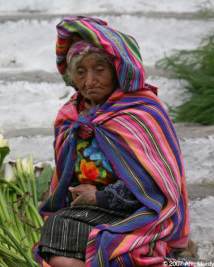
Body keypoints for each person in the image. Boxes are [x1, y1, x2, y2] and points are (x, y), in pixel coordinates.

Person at [34, 16, 190, 266]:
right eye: (81, 72)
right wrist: (78, 193)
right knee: (57, 227)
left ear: (117, 70)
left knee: (111, 246)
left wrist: (100, 197)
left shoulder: (141, 112)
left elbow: (156, 185)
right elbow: (67, 175)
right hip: (86, 209)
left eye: (99, 69)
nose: (90, 81)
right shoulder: (70, 116)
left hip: (137, 209)